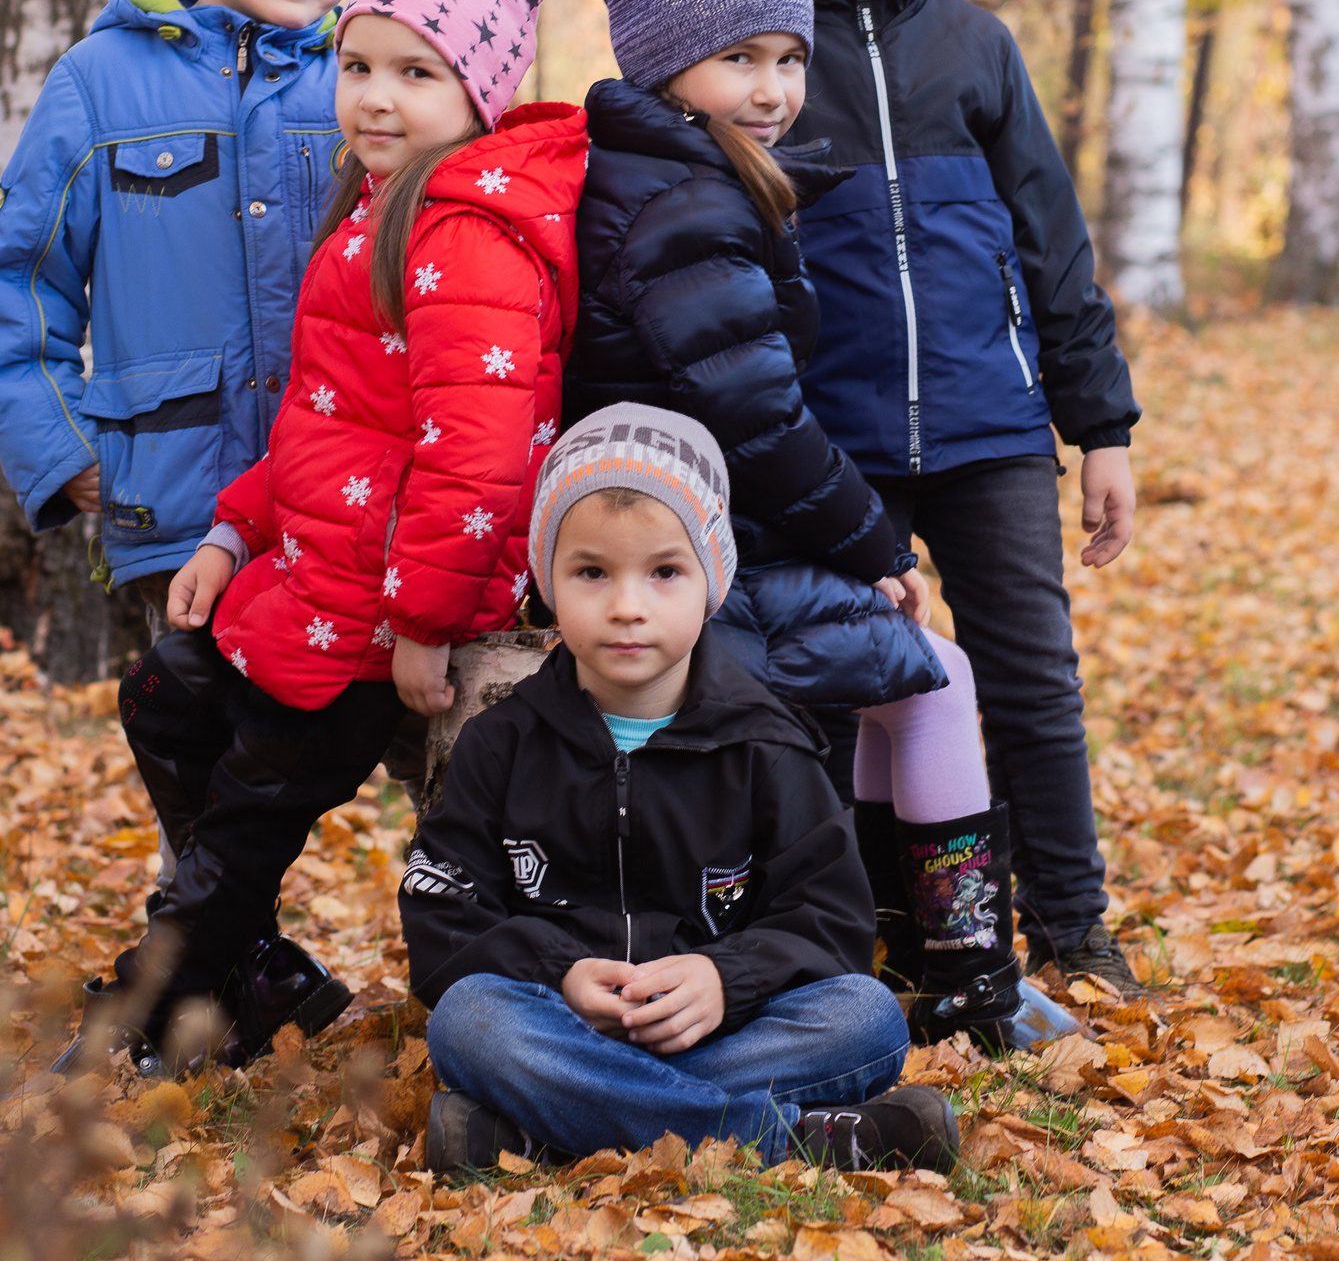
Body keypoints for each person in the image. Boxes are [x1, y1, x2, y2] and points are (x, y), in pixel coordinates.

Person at [78, 0, 586, 1073]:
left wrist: (421, 622)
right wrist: (232, 526)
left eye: (418, 74)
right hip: (322, 575)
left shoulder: (467, 238)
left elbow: (476, 458)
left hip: (386, 606)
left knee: (256, 802)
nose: (375, 98)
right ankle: (255, 973)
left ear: (482, 87)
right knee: (167, 692)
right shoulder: (375, 210)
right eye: (358, 66)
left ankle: (164, 995)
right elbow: (327, 420)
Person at [567, 0, 1040, 1046]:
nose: (774, 88)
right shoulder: (686, 202)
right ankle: (967, 980)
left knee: (911, 687)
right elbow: (759, 418)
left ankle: (912, 951)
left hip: (716, 541)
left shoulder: (683, 175)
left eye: (787, 58)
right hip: (699, 562)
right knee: (933, 682)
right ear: (664, 62)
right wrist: (874, 547)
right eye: (740, 59)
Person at [769, 0, 1146, 990]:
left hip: (988, 433)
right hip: (827, 451)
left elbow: (1052, 245)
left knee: (1033, 688)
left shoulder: (977, 49)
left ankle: (1074, 927)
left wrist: (1102, 430)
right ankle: (842, 935)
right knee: (830, 694)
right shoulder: (760, 53)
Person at [404, 406, 962, 1171]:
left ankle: (543, 1132)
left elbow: (832, 922)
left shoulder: (766, 741)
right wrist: (557, 970)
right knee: (469, 1020)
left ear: (711, 581)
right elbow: (442, 908)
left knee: (866, 1018)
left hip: (723, 1026)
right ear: (547, 579)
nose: (628, 605)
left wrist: (724, 978)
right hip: (565, 1024)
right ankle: (792, 1138)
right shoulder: (502, 741)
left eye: (664, 571)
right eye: (592, 572)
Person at [0, 0, 374, 637]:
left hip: (348, 499)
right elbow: (16, 280)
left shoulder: (365, 77)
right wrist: (65, 447)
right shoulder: (101, 80)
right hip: (176, 502)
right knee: (204, 740)